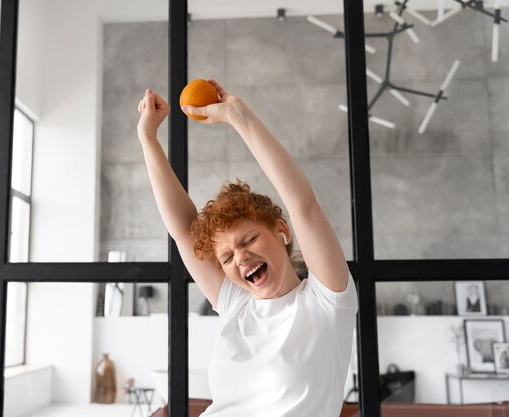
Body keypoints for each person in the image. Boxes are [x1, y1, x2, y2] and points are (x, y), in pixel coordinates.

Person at [137, 80, 358, 417]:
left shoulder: (327, 302)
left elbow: (304, 206)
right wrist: (148, 139)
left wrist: (238, 116)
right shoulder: (238, 306)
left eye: (249, 240)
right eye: (226, 257)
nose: (240, 257)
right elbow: (184, 230)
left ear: (282, 231)